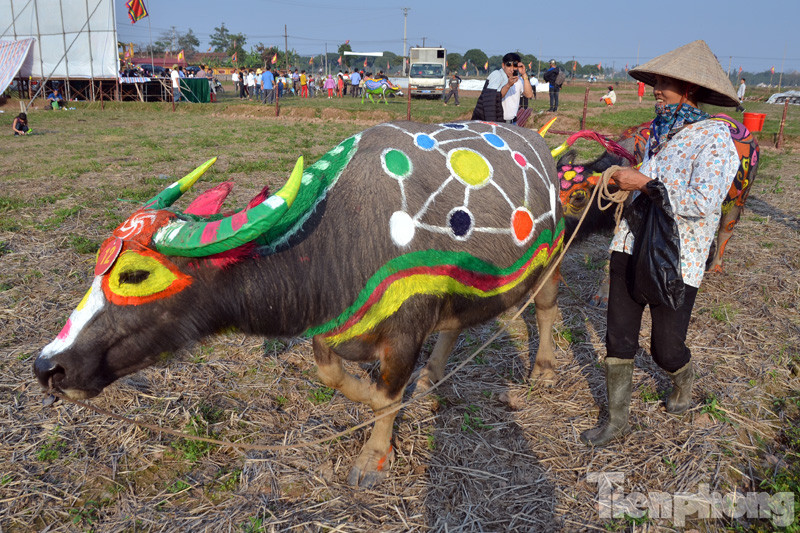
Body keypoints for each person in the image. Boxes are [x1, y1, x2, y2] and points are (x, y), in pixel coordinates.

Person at [579, 40, 741, 447]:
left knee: (666, 349)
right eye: (655, 81)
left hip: (676, 257)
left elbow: (704, 203)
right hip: (631, 245)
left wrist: (645, 183)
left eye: (664, 82)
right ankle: (616, 421)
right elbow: (648, 184)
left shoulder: (715, 140)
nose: (655, 88)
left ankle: (681, 385)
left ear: (690, 90)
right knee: (618, 337)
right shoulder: (659, 133)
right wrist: (624, 180)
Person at [470, 52, 533, 124]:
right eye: (509, 65)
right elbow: (494, 97)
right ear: (503, 65)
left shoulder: (519, 80)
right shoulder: (497, 76)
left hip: (512, 122)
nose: (511, 69)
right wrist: (508, 85)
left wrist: (524, 74)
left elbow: (529, 95)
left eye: (515, 66)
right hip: (499, 122)